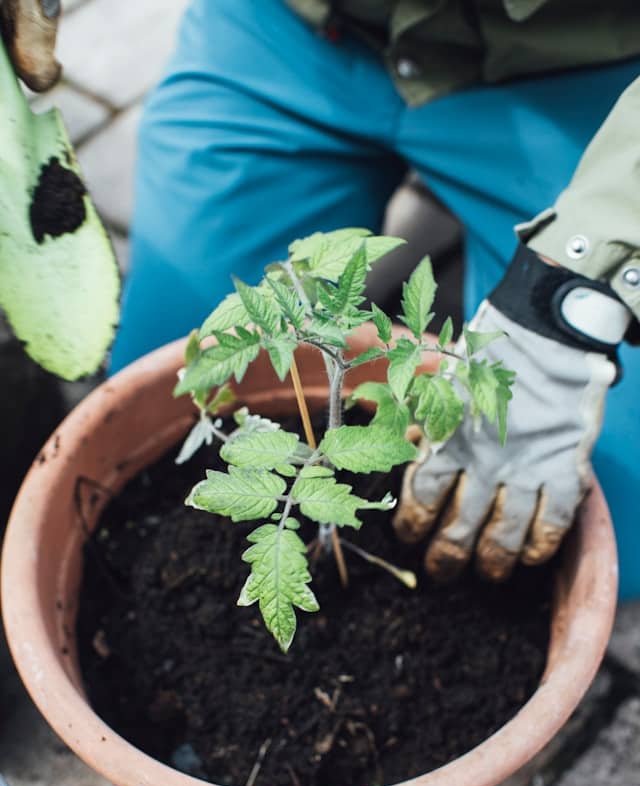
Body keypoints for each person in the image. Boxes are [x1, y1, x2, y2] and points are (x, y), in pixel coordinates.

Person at [5, 0, 640, 597]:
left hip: (581, 76)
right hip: (293, 30)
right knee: (163, 395)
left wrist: (576, 290)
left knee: (613, 537)